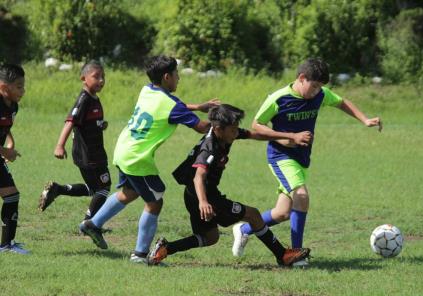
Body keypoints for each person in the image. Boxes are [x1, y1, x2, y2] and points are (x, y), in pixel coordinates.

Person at [232, 58, 382, 267]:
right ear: (302, 78)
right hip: (280, 156)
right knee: (301, 195)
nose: (317, 91)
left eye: (320, 87)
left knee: (283, 213)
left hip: (301, 159)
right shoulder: (279, 98)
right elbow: (257, 125)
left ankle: (244, 229)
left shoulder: (320, 95)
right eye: (314, 86)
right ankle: (296, 255)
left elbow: (341, 102)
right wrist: (289, 136)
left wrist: (365, 119)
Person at [79, 55, 218, 264]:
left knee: (129, 192)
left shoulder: (148, 90)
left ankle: (93, 224)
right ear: (166, 76)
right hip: (137, 158)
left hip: (124, 148)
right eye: (176, 74)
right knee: (155, 203)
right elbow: (201, 127)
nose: (178, 78)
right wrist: (224, 122)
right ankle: (139, 254)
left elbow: (173, 106)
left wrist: (198, 107)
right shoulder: (171, 104)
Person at [148, 104, 311, 267]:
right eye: (233, 130)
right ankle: (282, 255)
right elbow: (199, 177)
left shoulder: (225, 133)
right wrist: (204, 202)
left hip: (192, 194)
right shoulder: (209, 147)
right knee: (253, 215)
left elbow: (254, 134)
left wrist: (283, 137)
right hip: (205, 195)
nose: (236, 133)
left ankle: (165, 249)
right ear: (218, 129)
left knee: (209, 237)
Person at [38, 61, 112, 225]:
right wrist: (59, 145)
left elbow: (87, 122)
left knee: (94, 188)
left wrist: (101, 125)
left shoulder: (94, 99)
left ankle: (58, 189)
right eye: (96, 77)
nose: (101, 80)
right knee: (104, 188)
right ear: (83, 78)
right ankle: (89, 223)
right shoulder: (84, 99)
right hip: (89, 153)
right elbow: (70, 121)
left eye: (103, 77)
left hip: (93, 152)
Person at [0, 64, 28, 254]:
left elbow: (5, 127)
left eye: (23, 86)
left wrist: (9, 143)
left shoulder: (13, 106)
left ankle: (7, 245)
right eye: (18, 86)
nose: (23, 91)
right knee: (11, 195)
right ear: (3, 87)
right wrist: (5, 152)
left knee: (11, 195)